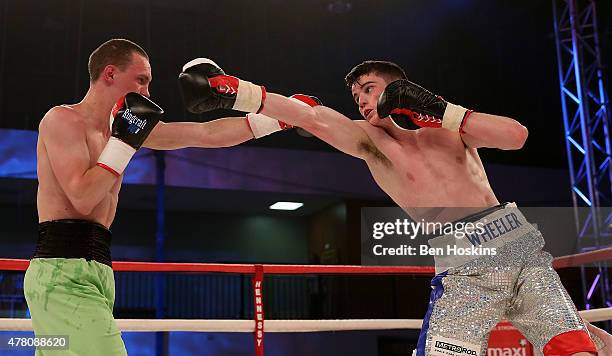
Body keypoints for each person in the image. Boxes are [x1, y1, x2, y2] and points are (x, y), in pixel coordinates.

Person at [177, 58, 601, 356]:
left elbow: (516, 136)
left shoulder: (447, 129)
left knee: (572, 346)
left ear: (398, 88)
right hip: (466, 253)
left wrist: (438, 109)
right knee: (575, 340)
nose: (360, 100)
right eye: (355, 94)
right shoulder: (370, 141)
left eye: (368, 88)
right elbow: (311, 117)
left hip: (513, 238)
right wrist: (238, 92)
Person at [23, 39, 296, 356]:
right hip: (61, 272)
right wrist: (124, 142)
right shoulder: (63, 120)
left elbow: (206, 135)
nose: (148, 93)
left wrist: (282, 118)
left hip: (97, 270)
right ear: (110, 73)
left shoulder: (125, 129)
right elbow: (82, 197)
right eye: (141, 80)